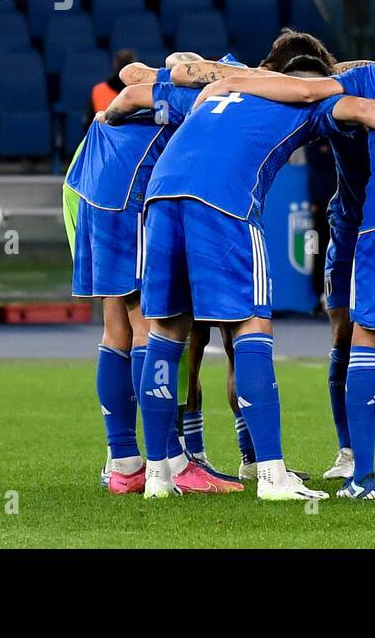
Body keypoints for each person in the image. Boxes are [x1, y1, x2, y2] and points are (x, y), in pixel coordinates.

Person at [136, 49, 375, 500]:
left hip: (160, 196)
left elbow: (142, 87)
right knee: (250, 327)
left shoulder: (227, 87)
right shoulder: (310, 101)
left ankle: (158, 475)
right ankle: (272, 475)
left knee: (165, 331)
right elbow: (367, 108)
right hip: (224, 204)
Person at [65, 57, 241, 496]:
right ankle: (172, 461)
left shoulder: (180, 83)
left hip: (90, 181)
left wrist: (114, 114)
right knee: (152, 326)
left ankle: (124, 462)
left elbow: (131, 78)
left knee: (116, 327)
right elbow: (128, 89)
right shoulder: (212, 98)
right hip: (132, 191)